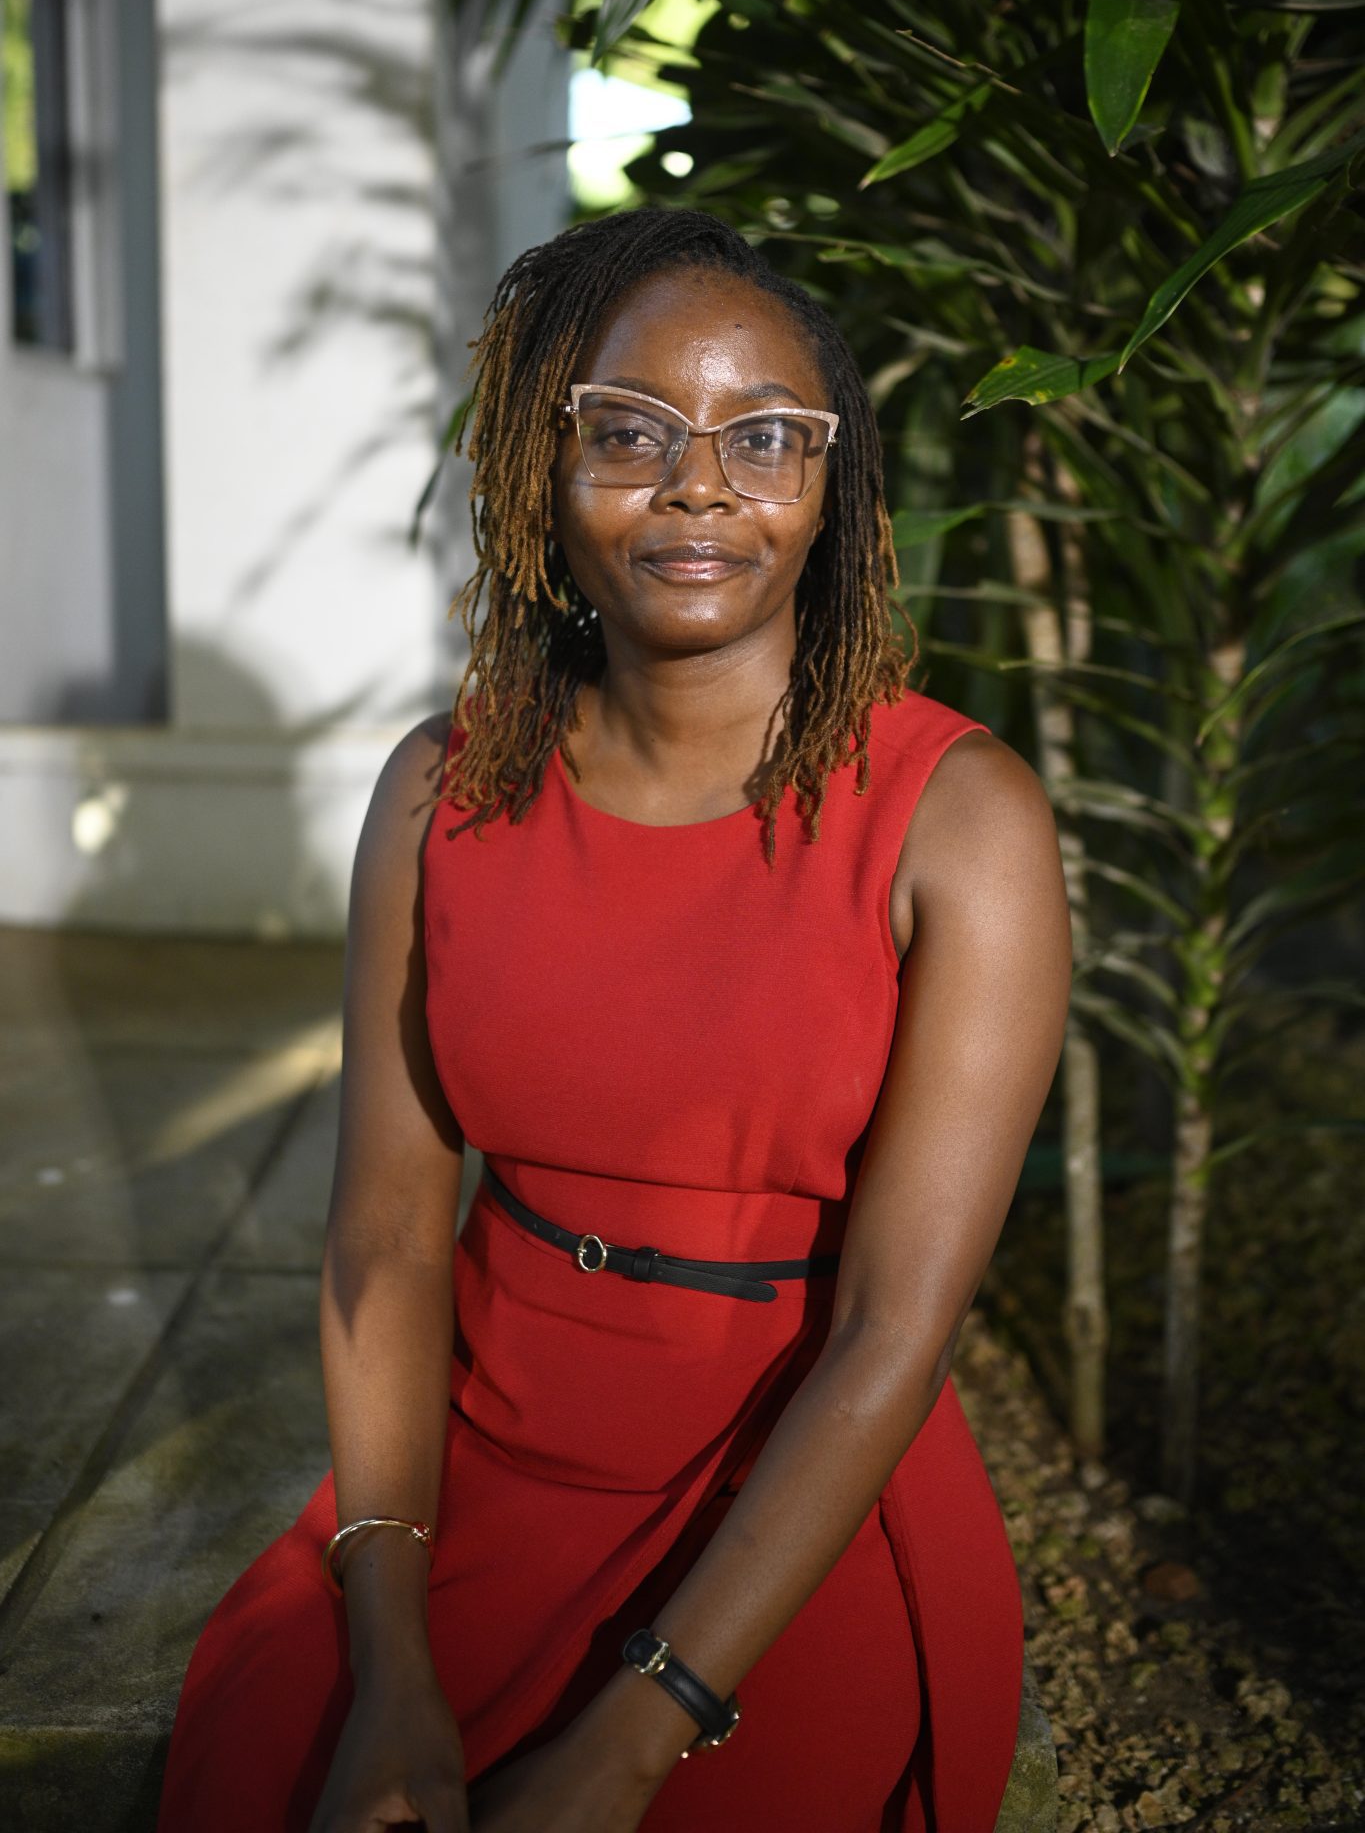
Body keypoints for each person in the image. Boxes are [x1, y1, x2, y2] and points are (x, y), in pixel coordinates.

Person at [157, 205, 1071, 1833]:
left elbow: (893, 1330)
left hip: (785, 1493)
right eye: (628, 432)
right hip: (472, 1469)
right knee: (264, 1779)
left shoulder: (958, 817)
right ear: (533, 469)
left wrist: (636, 1735)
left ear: (831, 481)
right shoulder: (440, 791)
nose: (700, 483)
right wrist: (388, 1655)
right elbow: (383, 1236)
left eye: (764, 437)